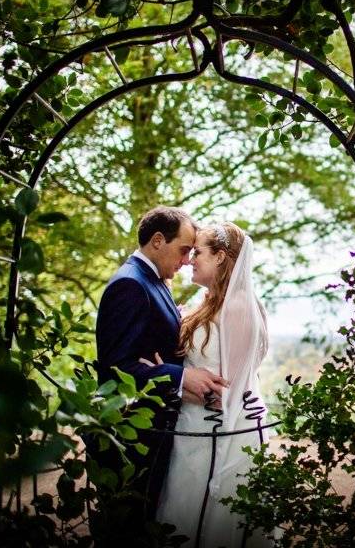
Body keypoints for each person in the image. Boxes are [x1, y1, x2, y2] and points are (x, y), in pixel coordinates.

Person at [91, 206, 230, 538]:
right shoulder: (130, 284)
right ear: (157, 241)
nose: (186, 260)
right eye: (183, 250)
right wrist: (181, 377)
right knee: (124, 532)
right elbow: (116, 368)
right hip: (132, 439)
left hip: (155, 432)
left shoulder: (152, 279)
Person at [148, 222, 273, 547]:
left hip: (220, 434)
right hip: (192, 428)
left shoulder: (239, 306)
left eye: (198, 252)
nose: (190, 259)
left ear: (220, 257)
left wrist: (172, 379)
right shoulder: (207, 300)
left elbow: (227, 395)